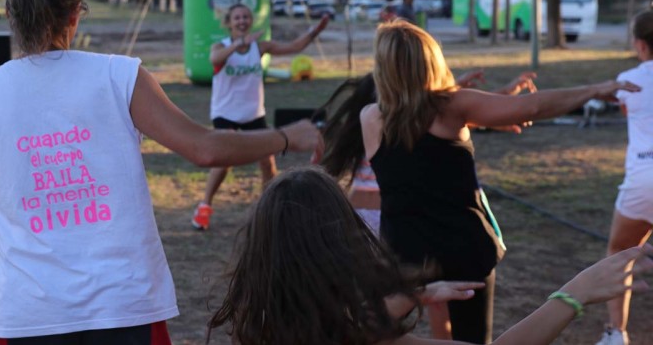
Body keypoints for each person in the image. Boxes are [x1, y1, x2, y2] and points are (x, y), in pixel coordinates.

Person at [0, 0, 321, 344]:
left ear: (10, 14)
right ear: (76, 13)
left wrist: (30, 203)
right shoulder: (119, 75)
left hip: (21, 317)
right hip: (123, 307)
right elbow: (204, 149)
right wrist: (287, 136)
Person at [360, 20, 640, 344]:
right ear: (430, 61)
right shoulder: (453, 107)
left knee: (385, 336)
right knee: (473, 338)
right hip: (462, 248)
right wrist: (593, 90)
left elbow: (415, 135)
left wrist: (482, 112)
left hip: (406, 252)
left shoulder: (370, 117)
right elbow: (532, 106)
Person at [207, 167, 653, 345]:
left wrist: (415, 295)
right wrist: (574, 293)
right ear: (340, 246)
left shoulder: (258, 329)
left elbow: (345, 322)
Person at [318, 70, 536, 340]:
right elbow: (443, 116)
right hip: (395, 227)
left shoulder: (369, 126)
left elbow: (445, 114)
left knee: (395, 310)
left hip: (366, 229)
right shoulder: (400, 128)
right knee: (435, 298)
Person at [191, 3, 329, 230]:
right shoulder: (221, 46)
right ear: (229, 23)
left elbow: (294, 47)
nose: (242, 21)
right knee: (224, 162)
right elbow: (215, 59)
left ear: (251, 21)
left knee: (267, 162)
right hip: (226, 113)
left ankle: (269, 209)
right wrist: (239, 44)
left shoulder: (260, 46)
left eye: (246, 17)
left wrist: (316, 31)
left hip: (253, 114)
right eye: (237, 18)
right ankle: (204, 207)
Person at [595, 10, 653, 345]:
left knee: (620, 252)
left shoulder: (628, 79)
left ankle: (617, 333)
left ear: (641, 44)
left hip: (643, 177)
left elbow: (626, 108)